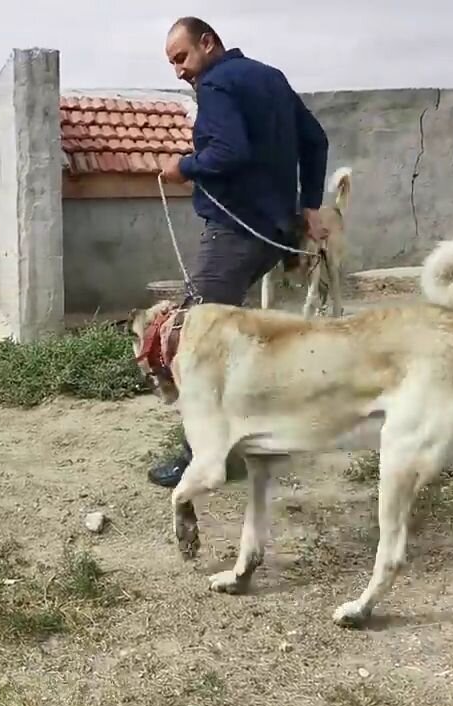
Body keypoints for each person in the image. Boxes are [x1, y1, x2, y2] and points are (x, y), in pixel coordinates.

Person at [147, 16, 331, 488]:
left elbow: (229, 151)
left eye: (182, 57)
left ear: (208, 43)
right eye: (172, 62)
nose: (179, 72)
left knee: (194, 341)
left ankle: (202, 457)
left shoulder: (217, 84)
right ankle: (246, 436)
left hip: (235, 231)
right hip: (274, 233)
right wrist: (308, 204)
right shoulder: (271, 78)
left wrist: (182, 167)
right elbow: (316, 139)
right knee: (231, 340)